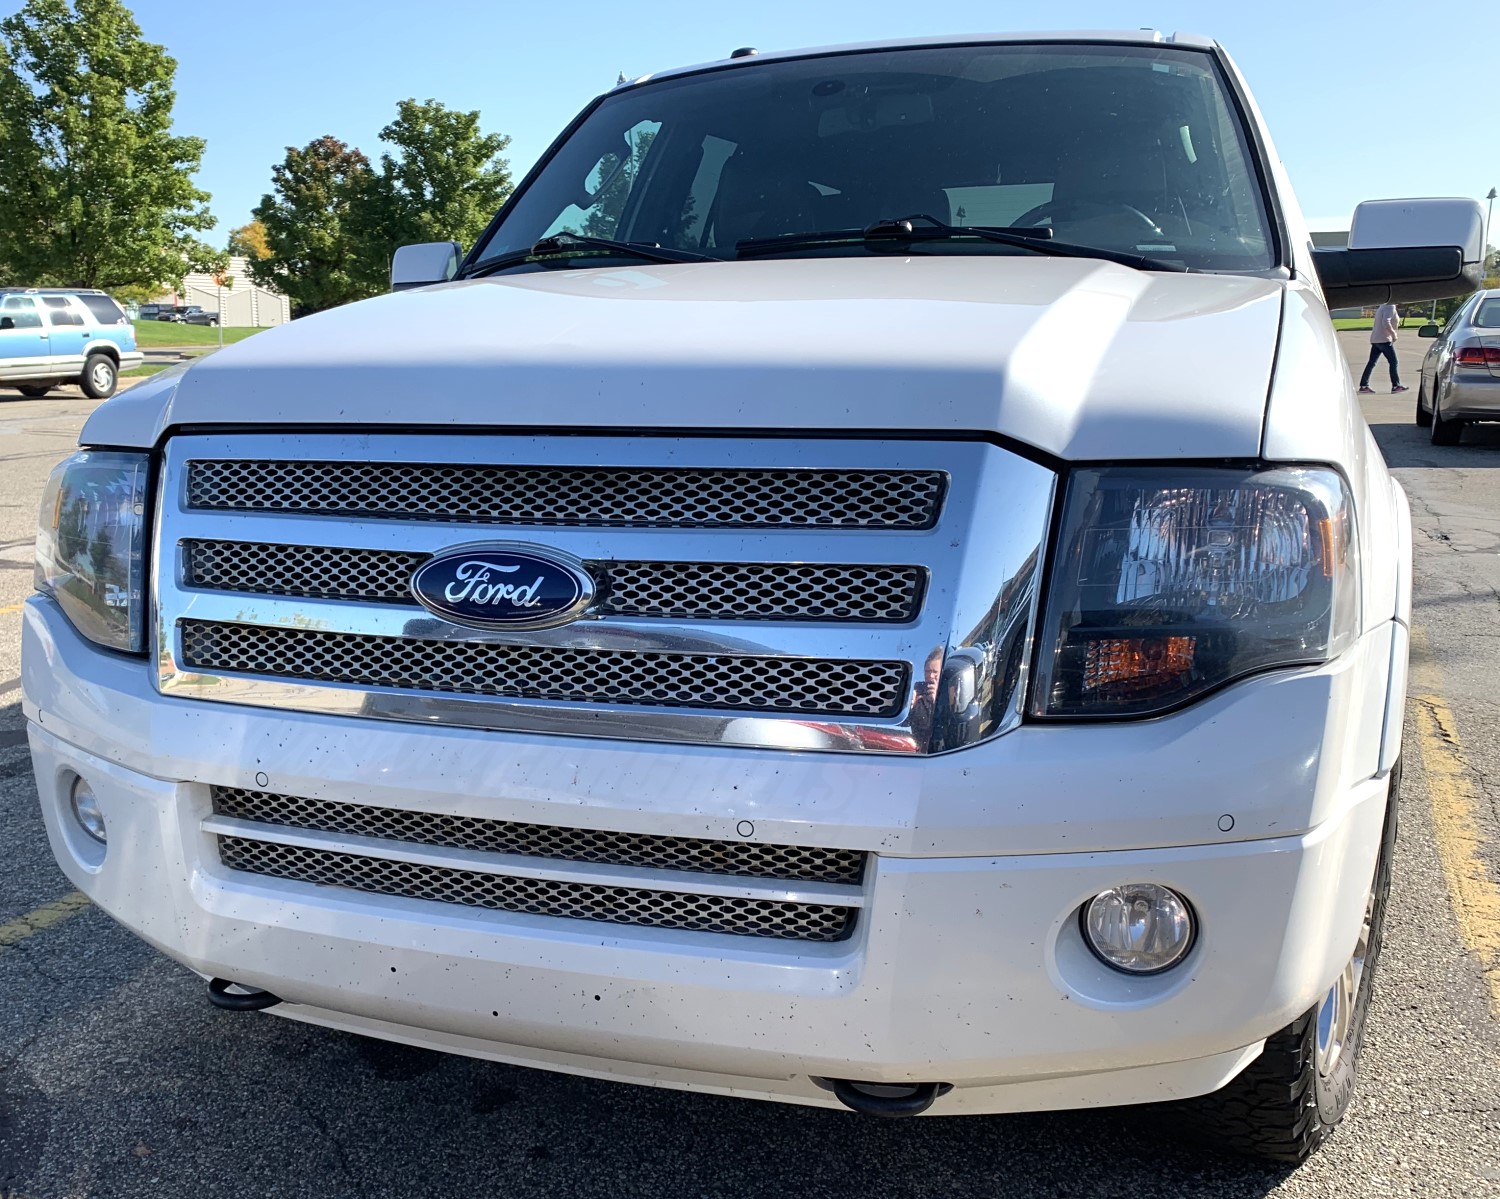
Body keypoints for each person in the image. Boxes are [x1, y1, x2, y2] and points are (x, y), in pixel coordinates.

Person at [1358, 302, 1408, 395]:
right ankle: (1395, 386)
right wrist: (1394, 334)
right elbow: (1386, 322)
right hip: (1384, 340)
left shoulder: (1382, 306)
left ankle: (1363, 385)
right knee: (1393, 362)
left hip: (1376, 339)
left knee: (1371, 363)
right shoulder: (1390, 306)